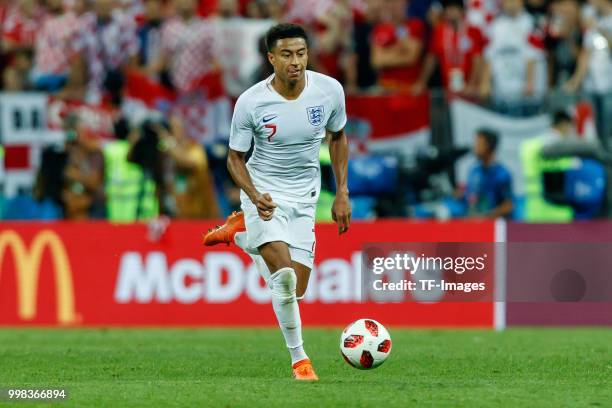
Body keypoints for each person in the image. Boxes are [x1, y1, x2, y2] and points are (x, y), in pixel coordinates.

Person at [203, 23, 350, 381]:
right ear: (272, 59)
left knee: (296, 291)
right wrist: (253, 195)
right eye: (286, 54)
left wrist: (343, 191)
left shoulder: (329, 91)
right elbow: (234, 158)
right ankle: (300, 361)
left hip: (305, 197)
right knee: (282, 280)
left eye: (300, 53)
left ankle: (242, 236)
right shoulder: (252, 101)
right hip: (264, 192)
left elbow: (339, 137)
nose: (295, 62)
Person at [463, 129, 514, 218]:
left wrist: (486, 217)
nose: (475, 147)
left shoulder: (502, 174)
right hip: (472, 224)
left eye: (478, 143)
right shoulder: (473, 171)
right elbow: (470, 197)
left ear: (488, 146)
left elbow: (508, 206)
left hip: (492, 225)